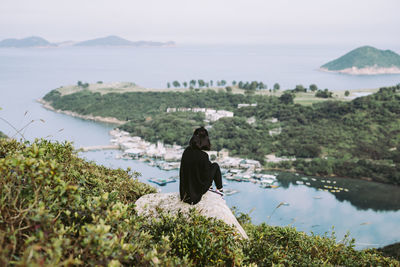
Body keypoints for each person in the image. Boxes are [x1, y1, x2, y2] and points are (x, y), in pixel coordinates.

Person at [179, 127, 223, 204]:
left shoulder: (186, 151)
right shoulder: (203, 156)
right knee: (215, 165)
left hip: (184, 194)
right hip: (196, 195)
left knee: (210, 165)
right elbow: (205, 176)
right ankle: (220, 189)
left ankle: (215, 188)